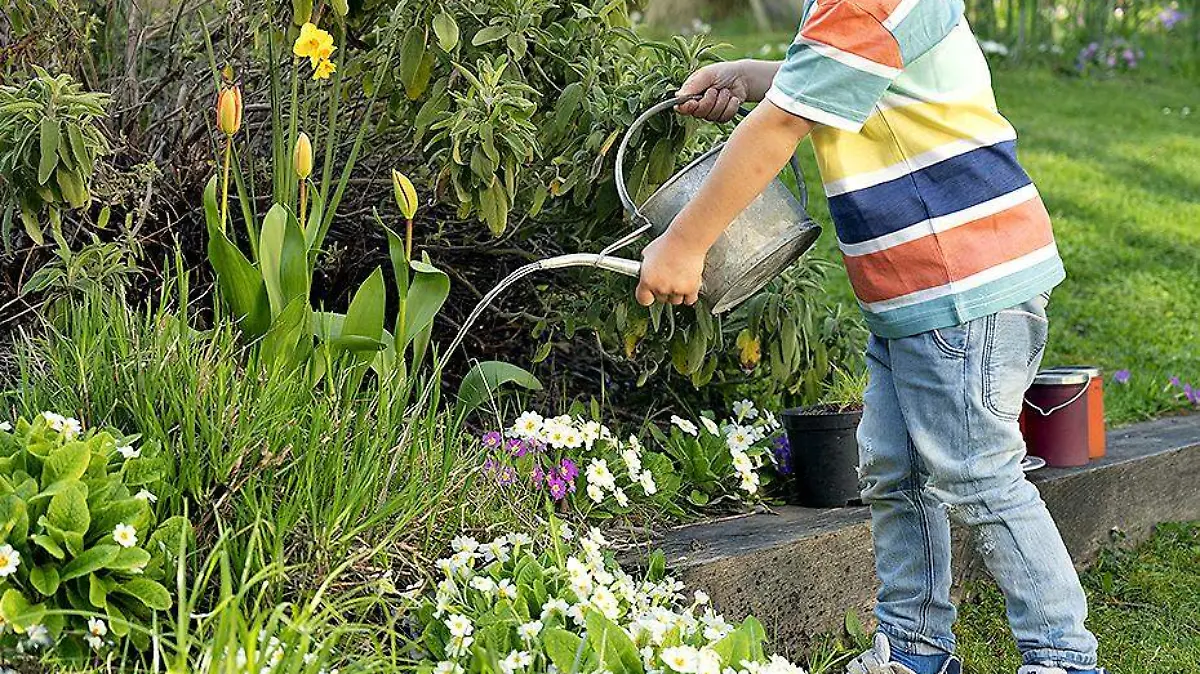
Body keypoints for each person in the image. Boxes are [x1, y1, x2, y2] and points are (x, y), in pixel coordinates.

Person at [634, 1, 1105, 673]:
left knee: (978, 477)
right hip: (914, 290)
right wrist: (750, 75)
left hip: (958, 283)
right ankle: (915, 649)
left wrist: (685, 242)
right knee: (896, 472)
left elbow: (785, 124)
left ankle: (1063, 655)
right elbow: (835, 78)